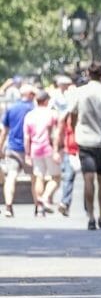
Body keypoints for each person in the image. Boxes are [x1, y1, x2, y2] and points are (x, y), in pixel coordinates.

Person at [67, 62, 101, 230]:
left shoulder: (79, 92)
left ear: (88, 74)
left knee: (88, 179)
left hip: (85, 141)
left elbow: (72, 116)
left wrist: (76, 129)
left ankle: (90, 215)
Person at [0, 84, 37, 217]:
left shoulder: (11, 108)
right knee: (35, 177)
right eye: (33, 94)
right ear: (29, 95)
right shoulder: (33, 109)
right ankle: (38, 207)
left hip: (13, 148)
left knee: (11, 176)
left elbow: (4, 131)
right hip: (30, 150)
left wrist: (0, 146)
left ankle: (8, 206)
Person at [23, 90, 61, 216]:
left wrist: (27, 154)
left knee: (39, 176)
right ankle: (44, 198)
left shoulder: (30, 115)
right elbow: (55, 134)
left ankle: (39, 207)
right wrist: (56, 151)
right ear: (46, 101)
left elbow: (27, 137)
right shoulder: (52, 114)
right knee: (56, 178)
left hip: (35, 149)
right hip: (48, 148)